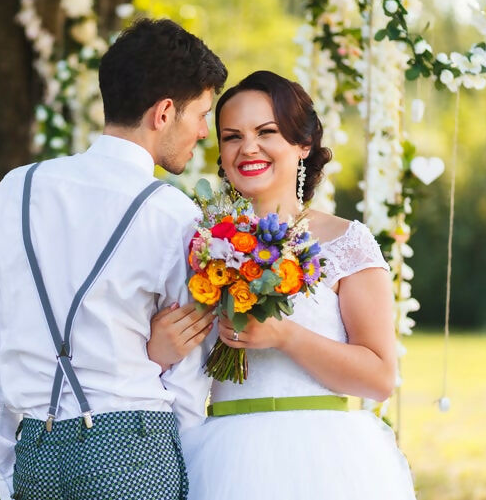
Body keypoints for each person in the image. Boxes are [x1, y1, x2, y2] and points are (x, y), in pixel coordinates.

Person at [0, 18, 226, 500]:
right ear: (165, 112)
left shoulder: (18, 190)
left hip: (35, 451)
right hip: (134, 448)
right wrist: (188, 469)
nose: (203, 134)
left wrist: (8, 470)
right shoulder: (172, 214)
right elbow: (188, 373)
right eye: (201, 115)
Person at [174, 70, 417, 498]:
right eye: (231, 136)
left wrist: (283, 335)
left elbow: (380, 377)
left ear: (303, 144)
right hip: (224, 456)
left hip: (325, 459)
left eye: (266, 132)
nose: (248, 147)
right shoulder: (199, 240)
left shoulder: (346, 243)